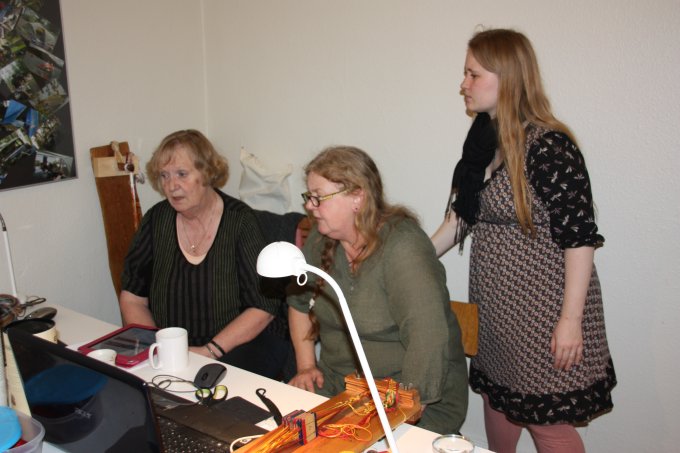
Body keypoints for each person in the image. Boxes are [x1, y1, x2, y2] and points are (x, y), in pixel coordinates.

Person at [431, 29, 616, 453]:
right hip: (498, 309)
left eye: (473, 74)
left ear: (508, 78)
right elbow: (462, 218)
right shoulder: (483, 142)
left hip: (544, 313)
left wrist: (570, 321)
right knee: (497, 403)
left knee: (546, 424)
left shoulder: (550, 147)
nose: (463, 84)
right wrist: (409, 256)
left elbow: (579, 239)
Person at [287, 146, 468, 435]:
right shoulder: (320, 240)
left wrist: (407, 405)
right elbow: (298, 304)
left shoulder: (403, 246)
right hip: (340, 387)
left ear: (357, 197)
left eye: (318, 197)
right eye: (309, 196)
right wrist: (307, 366)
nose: (310, 206)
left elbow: (428, 335)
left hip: (409, 395)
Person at [119, 129, 292, 380]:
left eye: (182, 174)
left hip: (241, 344)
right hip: (174, 350)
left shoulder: (240, 222)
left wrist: (209, 351)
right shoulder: (156, 220)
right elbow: (132, 298)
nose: (171, 186)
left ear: (207, 173)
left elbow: (264, 306)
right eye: (164, 176)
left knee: (207, 391)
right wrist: (158, 348)